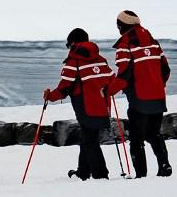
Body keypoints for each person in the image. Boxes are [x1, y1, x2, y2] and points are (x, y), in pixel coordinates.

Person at [45, 28, 125, 180]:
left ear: (73, 43)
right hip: (103, 107)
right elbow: (111, 80)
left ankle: (101, 175)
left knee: (89, 141)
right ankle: (82, 172)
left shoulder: (73, 61)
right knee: (88, 138)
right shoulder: (101, 59)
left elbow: (64, 88)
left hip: (86, 108)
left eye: (69, 46)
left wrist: (50, 96)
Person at [113, 10, 173, 177]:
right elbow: (166, 69)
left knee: (137, 138)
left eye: (118, 25)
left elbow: (124, 75)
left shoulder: (125, 45)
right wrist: (158, 86)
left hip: (139, 99)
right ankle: (164, 165)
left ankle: (141, 175)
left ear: (122, 26)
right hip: (158, 97)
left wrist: (110, 90)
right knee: (154, 133)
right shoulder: (154, 42)